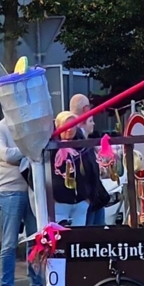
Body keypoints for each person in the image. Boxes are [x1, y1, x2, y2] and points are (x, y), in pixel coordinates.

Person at [0, 118, 45, 286]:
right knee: (9, 243)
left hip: (33, 188)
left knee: (35, 240)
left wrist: (25, 151)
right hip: (10, 189)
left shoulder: (29, 126)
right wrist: (30, 149)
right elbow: (6, 155)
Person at [69, 95, 107, 226]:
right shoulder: (79, 138)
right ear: (86, 109)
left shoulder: (68, 133)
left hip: (89, 195)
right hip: (88, 195)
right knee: (90, 232)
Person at [52, 111, 92, 226]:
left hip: (80, 203)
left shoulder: (82, 145)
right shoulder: (50, 147)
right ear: (58, 127)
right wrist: (51, 199)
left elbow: (92, 170)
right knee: (61, 235)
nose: (69, 130)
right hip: (59, 204)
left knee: (79, 235)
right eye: (66, 126)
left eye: (73, 125)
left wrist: (88, 197)